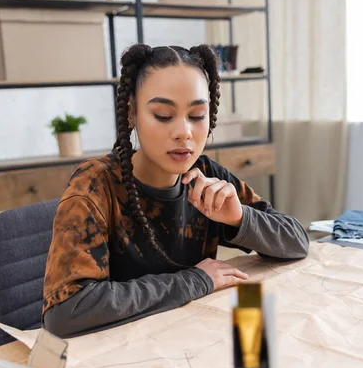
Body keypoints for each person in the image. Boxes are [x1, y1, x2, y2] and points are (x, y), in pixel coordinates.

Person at [43, 44, 309, 338]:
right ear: (131, 113)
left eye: (196, 116)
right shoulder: (95, 185)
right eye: (163, 115)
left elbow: (297, 242)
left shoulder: (207, 175)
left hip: (190, 340)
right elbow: (65, 312)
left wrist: (238, 217)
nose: (184, 132)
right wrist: (195, 280)